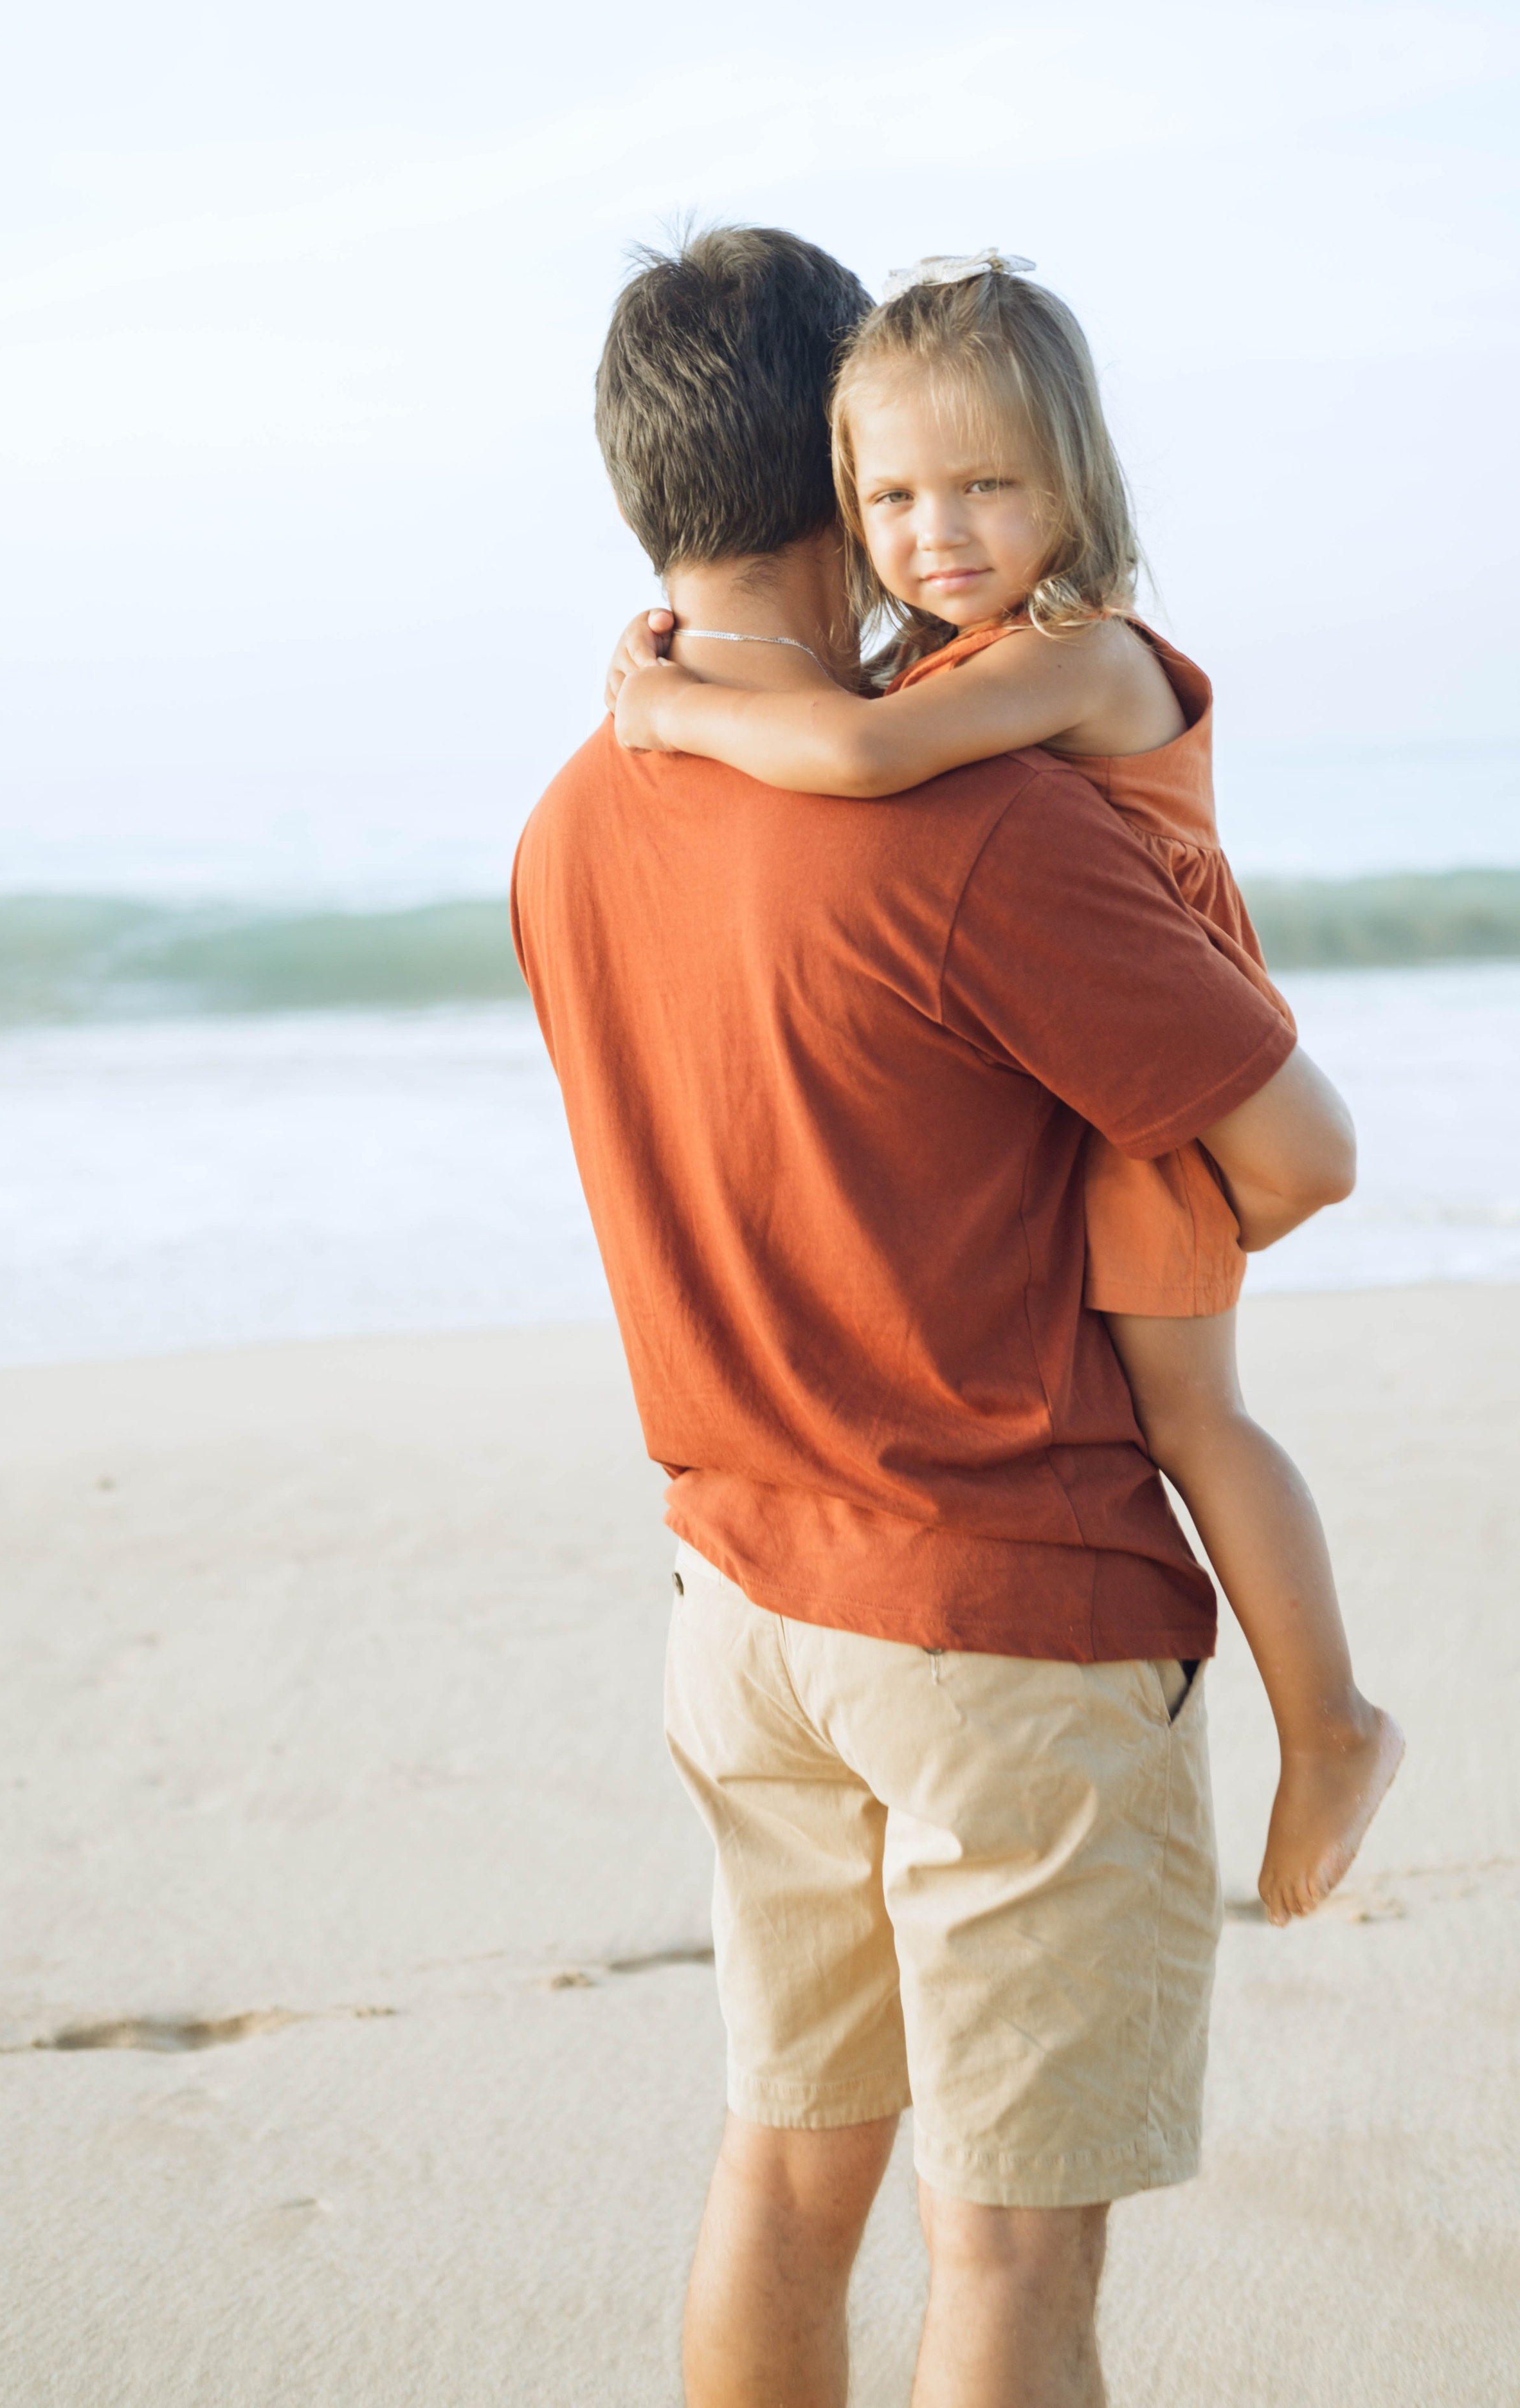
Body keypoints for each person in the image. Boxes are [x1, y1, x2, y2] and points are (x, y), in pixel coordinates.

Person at [511, 226, 1356, 2408]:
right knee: (1005, 2270)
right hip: (1001, 1617)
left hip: (739, 1607)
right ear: (838, 459)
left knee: (784, 2185)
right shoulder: (974, 815)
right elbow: (1295, 1154)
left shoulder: (569, 818)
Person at [608, 251, 1403, 1934]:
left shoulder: (1075, 655)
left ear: (1075, 490)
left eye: (986, 487)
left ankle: (1331, 1726)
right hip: (1127, 1082)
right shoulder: (955, 660)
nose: (936, 533)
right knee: (1172, 1404)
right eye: (888, 495)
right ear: (836, 500)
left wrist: (676, 704)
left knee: (1197, 1416)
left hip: (1169, 1085)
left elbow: (857, 761)